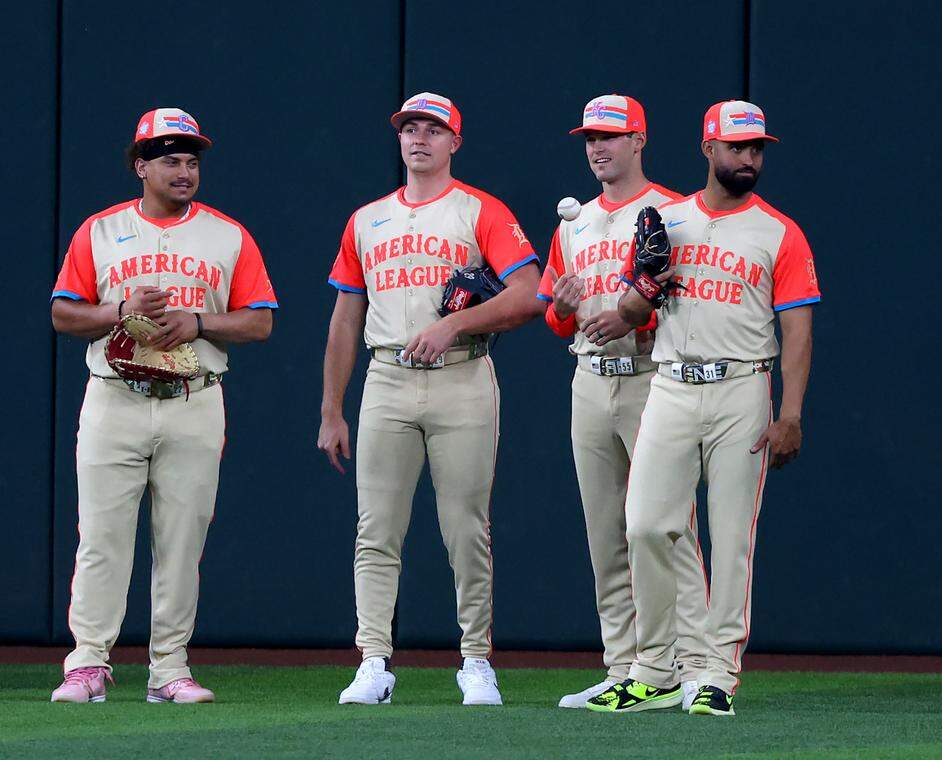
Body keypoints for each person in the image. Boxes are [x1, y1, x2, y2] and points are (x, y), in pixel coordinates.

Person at [589, 100, 819, 716]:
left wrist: (790, 413)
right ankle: (655, 669)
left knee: (730, 535)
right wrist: (645, 284)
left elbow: (797, 327)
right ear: (707, 149)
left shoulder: (779, 232)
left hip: (742, 385)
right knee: (645, 524)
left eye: (756, 148)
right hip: (669, 383)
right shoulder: (666, 219)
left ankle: (715, 670)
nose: (748, 158)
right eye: (737, 147)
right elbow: (635, 315)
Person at [318, 93, 543, 706]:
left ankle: (475, 660)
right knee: (375, 530)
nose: (419, 138)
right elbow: (345, 317)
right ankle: (372, 661)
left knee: (465, 527)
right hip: (386, 376)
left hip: (462, 376)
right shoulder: (366, 219)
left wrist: (454, 325)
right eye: (410, 127)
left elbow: (530, 293)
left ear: (454, 142)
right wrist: (331, 409)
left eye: (433, 129)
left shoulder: (480, 211)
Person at [49, 107, 278, 704]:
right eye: (170, 159)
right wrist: (117, 311)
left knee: (182, 539)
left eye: (191, 160)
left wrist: (198, 320)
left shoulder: (228, 235)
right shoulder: (99, 230)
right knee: (101, 537)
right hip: (114, 396)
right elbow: (63, 313)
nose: (184, 170)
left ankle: (169, 669)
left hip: (193, 399)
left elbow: (259, 322)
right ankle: (88, 664)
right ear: (140, 165)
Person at [537, 94, 708, 710]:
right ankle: (625, 665)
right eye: (589, 137)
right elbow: (558, 318)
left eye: (610, 135)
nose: (597, 147)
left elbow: (688, 303)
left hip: (651, 378)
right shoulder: (573, 221)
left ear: (639, 139)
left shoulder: (672, 210)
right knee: (605, 531)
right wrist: (560, 303)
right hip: (589, 378)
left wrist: (634, 318)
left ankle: (694, 666)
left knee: (665, 527)